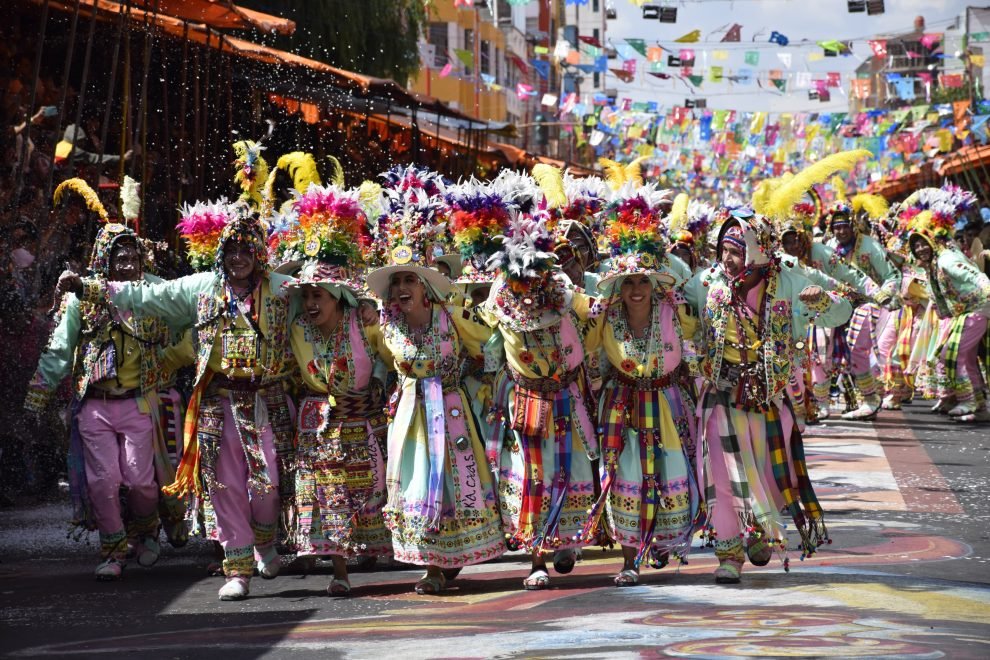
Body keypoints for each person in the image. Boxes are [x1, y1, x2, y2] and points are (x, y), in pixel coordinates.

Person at [54, 199, 298, 601]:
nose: (238, 258)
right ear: (221, 253)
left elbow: (325, 302)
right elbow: (151, 296)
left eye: (246, 249)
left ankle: (265, 542)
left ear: (259, 254)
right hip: (216, 403)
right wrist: (90, 287)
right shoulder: (201, 287)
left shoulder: (283, 292)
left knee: (268, 485)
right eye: (230, 249)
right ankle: (236, 568)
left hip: (266, 402)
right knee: (224, 486)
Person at [26, 178, 187, 580]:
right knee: (103, 481)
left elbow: (187, 324)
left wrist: (171, 362)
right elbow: (61, 347)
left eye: (133, 257)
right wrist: (38, 395)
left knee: (141, 482)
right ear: (104, 261)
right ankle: (113, 550)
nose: (127, 264)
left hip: (140, 401)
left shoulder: (155, 292)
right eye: (119, 258)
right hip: (95, 405)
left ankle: (147, 530)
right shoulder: (82, 297)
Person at [685, 210, 852, 584]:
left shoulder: (790, 282)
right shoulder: (705, 282)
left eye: (737, 251)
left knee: (764, 473)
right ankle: (729, 553)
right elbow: (674, 304)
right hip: (720, 397)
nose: (729, 260)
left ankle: (759, 532)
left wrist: (821, 299)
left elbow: (841, 312)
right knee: (723, 476)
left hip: (767, 400)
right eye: (724, 250)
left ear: (758, 252)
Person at [365, 179, 505, 595]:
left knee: (452, 480)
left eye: (410, 281)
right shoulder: (385, 325)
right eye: (397, 283)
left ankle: (453, 556)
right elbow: (372, 359)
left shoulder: (454, 315)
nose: (402, 290)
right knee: (416, 478)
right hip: (411, 415)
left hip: (453, 408)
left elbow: (492, 341)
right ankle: (430, 563)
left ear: (426, 287)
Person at [279, 185, 392, 596]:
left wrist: (378, 382)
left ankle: (373, 552)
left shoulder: (362, 322)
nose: (311, 302)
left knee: (367, 490)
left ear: (338, 296)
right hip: (318, 423)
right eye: (305, 295)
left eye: (318, 294)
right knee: (326, 495)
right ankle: (339, 571)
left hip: (362, 419)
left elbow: (388, 352)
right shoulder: (296, 329)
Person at [582, 195, 700, 587]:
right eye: (628, 281)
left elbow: (702, 334)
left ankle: (663, 541)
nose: (636, 289)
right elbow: (583, 347)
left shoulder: (674, 308)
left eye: (642, 281)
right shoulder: (606, 314)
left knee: (671, 473)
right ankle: (629, 559)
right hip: (623, 406)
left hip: (668, 404)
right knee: (622, 477)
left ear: (654, 283)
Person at [483, 210, 600, 590]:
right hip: (527, 397)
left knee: (571, 470)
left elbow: (588, 307)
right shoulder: (499, 293)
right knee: (533, 476)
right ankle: (537, 557)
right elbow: (479, 323)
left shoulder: (560, 287)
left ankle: (566, 542)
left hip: (567, 393)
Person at [907, 186, 990, 423]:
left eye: (923, 243)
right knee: (962, 355)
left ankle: (968, 401)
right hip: (965, 314)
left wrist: (986, 288)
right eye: (916, 246)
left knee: (954, 354)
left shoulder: (946, 259)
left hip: (977, 309)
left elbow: (974, 276)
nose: (920, 248)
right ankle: (979, 407)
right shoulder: (932, 265)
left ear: (932, 242)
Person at [824, 202, 901, 420]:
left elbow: (892, 275)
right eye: (836, 227)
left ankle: (871, 399)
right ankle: (857, 401)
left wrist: (883, 296)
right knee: (839, 355)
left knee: (856, 348)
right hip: (841, 307)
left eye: (844, 226)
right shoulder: (830, 245)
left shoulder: (869, 246)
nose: (840, 231)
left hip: (870, 305)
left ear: (853, 226)